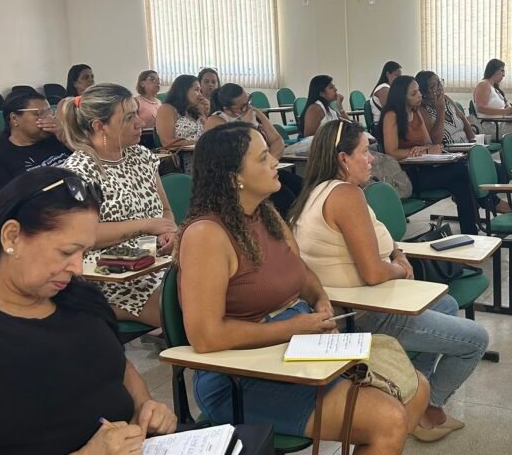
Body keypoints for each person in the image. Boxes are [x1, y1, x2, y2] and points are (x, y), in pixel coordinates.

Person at [177, 121, 430, 451]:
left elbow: (302, 271)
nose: (275, 162)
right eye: (263, 157)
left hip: (296, 349)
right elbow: (206, 337)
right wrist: (292, 328)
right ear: (233, 177)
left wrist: (319, 298)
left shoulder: (265, 214)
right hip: (239, 375)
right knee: (388, 420)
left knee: (418, 390)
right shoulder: (206, 235)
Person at [0, 167, 177, 454]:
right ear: (12, 237)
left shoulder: (74, 296)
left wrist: (144, 407)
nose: (78, 268)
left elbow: (115, 365)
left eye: (84, 253)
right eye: (66, 252)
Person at [290, 119, 489, 442]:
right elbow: (373, 273)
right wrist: (399, 268)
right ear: (343, 158)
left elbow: (377, 234)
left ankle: (416, 394)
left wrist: (397, 253)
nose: (372, 158)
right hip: (362, 314)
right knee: (476, 340)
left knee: (447, 304)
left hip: (361, 305)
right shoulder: (345, 195)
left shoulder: (320, 190)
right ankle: (429, 407)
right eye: (365, 152)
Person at [60, 84, 178, 328]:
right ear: (99, 126)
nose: (140, 123)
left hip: (155, 261)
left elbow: (165, 212)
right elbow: (84, 236)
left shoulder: (141, 156)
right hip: (109, 276)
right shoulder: (78, 170)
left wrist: (168, 231)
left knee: (222, 287)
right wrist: (147, 226)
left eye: (137, 114)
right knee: (191, 308)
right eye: (128, 118)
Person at [381, 76, 480, 235]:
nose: (419, 95)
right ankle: (488, 204)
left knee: (461, 184)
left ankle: (470, 234)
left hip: (424, 168)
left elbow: (429, 143)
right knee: (462, 169)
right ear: (402, 97)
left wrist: (426, 149)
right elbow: (391, 152)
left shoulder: (416, 113)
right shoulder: (391, 116)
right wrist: (423, 151)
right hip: (406, 177)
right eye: (414, 93)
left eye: (419, 91)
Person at [416, 71, 512, 211]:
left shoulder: (446, 99)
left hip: (466, 149)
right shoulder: (422, 111)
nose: (439, 88)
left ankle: (485, 201)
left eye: (439, 82)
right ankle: (492, 203)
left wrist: (473, 141)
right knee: (474, 173)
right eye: (433, 86)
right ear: (424, 93)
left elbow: (463, 119)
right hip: (450, 155)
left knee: (500, 172)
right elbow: (435, 141)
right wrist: (440, 111)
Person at [205, 83, 301, 218]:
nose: (249, 107)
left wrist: (265, 164)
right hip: (240, 178)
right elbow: (236, 154)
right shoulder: (216, 121)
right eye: (243, 106)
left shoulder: (255, 113)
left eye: (249, 100)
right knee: (286, 200)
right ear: (227, 109)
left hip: (262, 170)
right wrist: (247, 126)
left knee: (302, 187)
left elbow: (277, 141)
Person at [0, 90, 70, 203]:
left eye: (49, 112)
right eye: (39, 114)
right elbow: (0, 203)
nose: (48, 118)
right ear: (15, 118)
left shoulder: (57, 138)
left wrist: (66, 137)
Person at [156, 74, 206, 174]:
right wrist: (196, 142)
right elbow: (167, 142)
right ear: (183, 90)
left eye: (200, 91)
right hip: (182, 161)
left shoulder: (193, 111)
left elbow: (208, 134)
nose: (200, 95)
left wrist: (203, 113)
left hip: (202, 157)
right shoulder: (167, 109)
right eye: (196, 90)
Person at [472, 59, 512, 139]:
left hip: (500, 123)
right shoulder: (484, 85)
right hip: (492, 127)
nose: (504, 75)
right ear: (493, 70)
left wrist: (509, 110)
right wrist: (504, 111)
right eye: (502, 71)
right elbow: (481, 108)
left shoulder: (494, 88)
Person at [370, 61, 403, 125]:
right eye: (396, 75)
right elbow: (389, 110)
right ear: (388, 74)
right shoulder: (383, 88)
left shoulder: (390, 88)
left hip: (389, 123)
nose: (399, 79)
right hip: (382, 125)